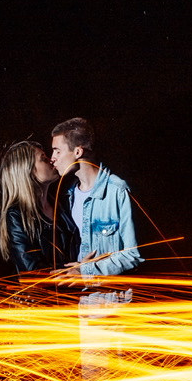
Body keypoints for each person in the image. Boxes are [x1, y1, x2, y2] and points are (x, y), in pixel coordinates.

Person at [49, 117, 143, 280]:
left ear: (78, 152)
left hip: (111, 302)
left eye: (57, 151)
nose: (53, 158)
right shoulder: (67, 196)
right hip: (79, 301)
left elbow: (133, 255)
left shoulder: (117, 191)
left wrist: (86, 271)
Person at [0, 140, 77, 274]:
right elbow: (32, 270)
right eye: (43, 159)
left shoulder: (63, 204)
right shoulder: (16, 215)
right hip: (47, 293)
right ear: (28, 170)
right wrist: (76, 270)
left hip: (74, 289)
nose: (51, 160)